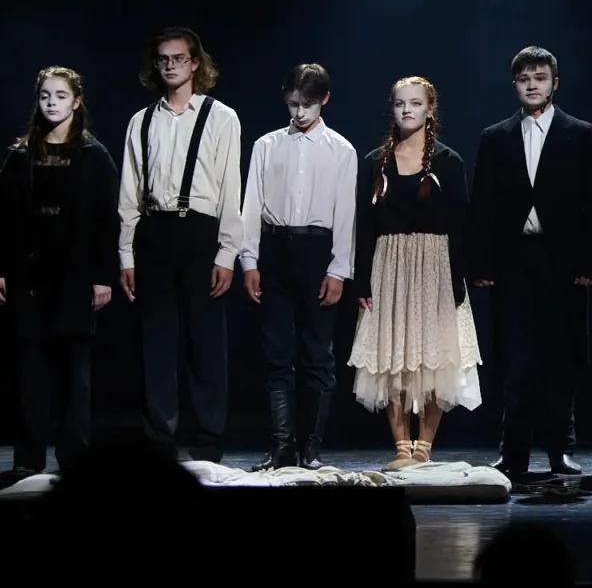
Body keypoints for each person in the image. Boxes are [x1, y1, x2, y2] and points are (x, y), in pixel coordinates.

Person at [470, 46, 592, 481]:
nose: (532, 85)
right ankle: (513, 453)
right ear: (515, 84)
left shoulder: (579, 133)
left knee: (559, 356)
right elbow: (483, 204)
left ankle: (560, 450)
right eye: (525, 78)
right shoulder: (495, 137)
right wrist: (482, 263)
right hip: (514, 260)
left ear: (554, 83)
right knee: (516, 359)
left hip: (562, 260)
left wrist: (589, 262)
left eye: (540, 77)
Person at [117, 26, 245, 463]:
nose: (170, 65)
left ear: (194, 63)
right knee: (156, 344)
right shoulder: (141, 120)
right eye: (163, 59)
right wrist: (126, 253)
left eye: (178, 58)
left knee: (205, 343)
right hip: (154, 232)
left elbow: (230, 189)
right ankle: (158, 443)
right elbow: (130, 193)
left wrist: (227, 253)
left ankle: (207, 442)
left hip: (199, 234)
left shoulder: (221, 117)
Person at [349, 77, 481, 469]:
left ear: (430, 109)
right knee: (391, 356)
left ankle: (424, 444)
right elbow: (364, 224)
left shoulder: (448, 162)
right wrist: (362, 278)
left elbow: (461, 225)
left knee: (432, 359)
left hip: (435, 267)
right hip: (389, 266)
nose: (407, 110)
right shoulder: (375, 162)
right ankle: (401, 445)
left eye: (416, 103)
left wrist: (457, 277)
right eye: (400, 104)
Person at [238, 63, 357, 470]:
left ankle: (311, 448)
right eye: (293, 104)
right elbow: (251, 206)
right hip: (274, 249)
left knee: (317, 353)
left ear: (324, 100)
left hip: (317, 251)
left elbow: (346, 215)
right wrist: (249, 260)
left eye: (307, 104)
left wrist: (338, 269)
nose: (300, 112)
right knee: (276, 352)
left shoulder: (341, 150)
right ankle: (281, 446)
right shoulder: (267, 145)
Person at [0, 68, 117, 480]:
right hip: (29, 277)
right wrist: (2, 270)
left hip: (75, 277)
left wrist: (103, 275)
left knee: (74, 376)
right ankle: (28, 458)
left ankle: (75, 460)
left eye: (61, 95)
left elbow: (107, 220)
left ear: (76, 101)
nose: (52, 102)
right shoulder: (19, 156)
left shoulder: (94, 156)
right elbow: (5, 219)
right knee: (30, 373)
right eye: (46, 95)